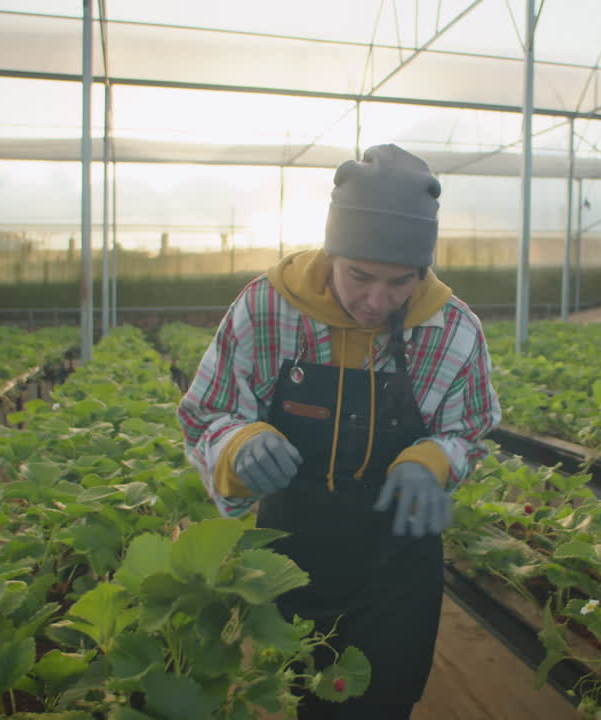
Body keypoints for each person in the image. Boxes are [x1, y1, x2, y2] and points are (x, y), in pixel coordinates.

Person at [178, 144, 501, 719]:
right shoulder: (266, 309)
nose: (377, 302)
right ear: (332, 251)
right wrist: (238, 444)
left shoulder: (453, 330)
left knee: (384, 700)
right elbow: (207, 412)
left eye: (401, 282)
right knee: (306, 699)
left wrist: (433, 460)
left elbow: (470, 429)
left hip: (398, 567)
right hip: (292, 554)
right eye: (360, 276)